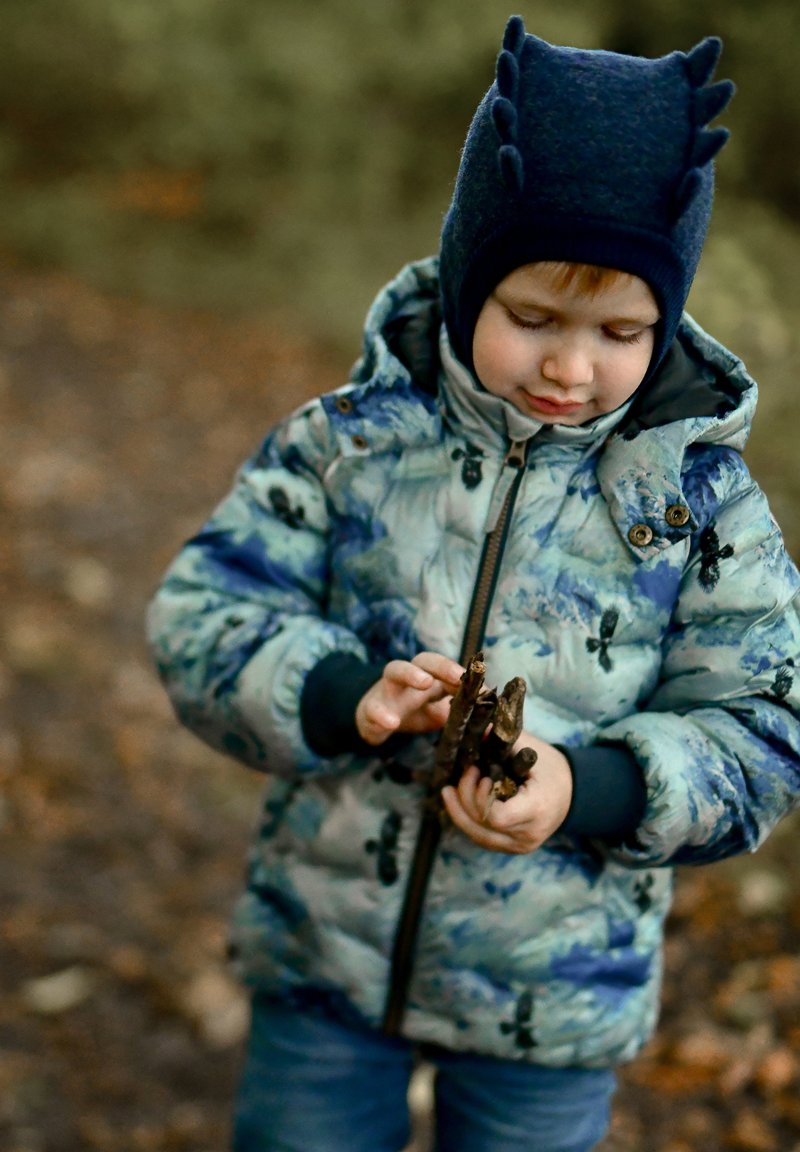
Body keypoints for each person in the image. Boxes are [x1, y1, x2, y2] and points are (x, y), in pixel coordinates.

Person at [147, 16, 800, 1152]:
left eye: (621, 330)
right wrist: (340, 695)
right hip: (325, 956)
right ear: (464, 280)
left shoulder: (699, 511)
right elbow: (202, 615)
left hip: (551, 995)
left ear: (667, 321)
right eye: (531, 317)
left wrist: (587, 788)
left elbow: (765, 733)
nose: (569, 365)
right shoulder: (349, 443)